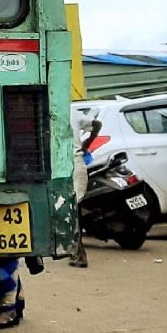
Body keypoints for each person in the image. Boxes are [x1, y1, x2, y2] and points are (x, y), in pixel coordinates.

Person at [71, 105, 103, 268]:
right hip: (76, 164)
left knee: (71, 211)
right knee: (75, 208)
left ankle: (80, 253)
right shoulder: (73, 113)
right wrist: (86, 144)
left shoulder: (47, 113)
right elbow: (97, 125)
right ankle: (77, 251)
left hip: (59, 166)